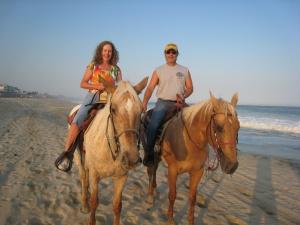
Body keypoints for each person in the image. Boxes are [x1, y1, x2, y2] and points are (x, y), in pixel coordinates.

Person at [57, 41, 122, 171]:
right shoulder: (93, 66)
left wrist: (114, 89)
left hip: (109, 100)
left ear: (112, 53)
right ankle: (66, 154)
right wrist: (97, 86)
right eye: (105, 50)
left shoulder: (116, 69)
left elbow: (119, 86)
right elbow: (83, 83)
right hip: (93, 98)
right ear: (100, 51)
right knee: (78, 119)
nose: (107, 53)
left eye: (109, 51)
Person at [142, 43, 193, 166]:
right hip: (163, 102)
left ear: (177, 54)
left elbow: (190, 88)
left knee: (196, 121)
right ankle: (148, 154)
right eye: (168, 52)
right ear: (165, 54)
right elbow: (150, 88)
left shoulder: (184, 70)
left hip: (180, 103)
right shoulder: (158, 70)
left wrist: (183, 96)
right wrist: (144, 103)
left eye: (173, 52)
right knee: (153, 125)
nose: (171, 54)